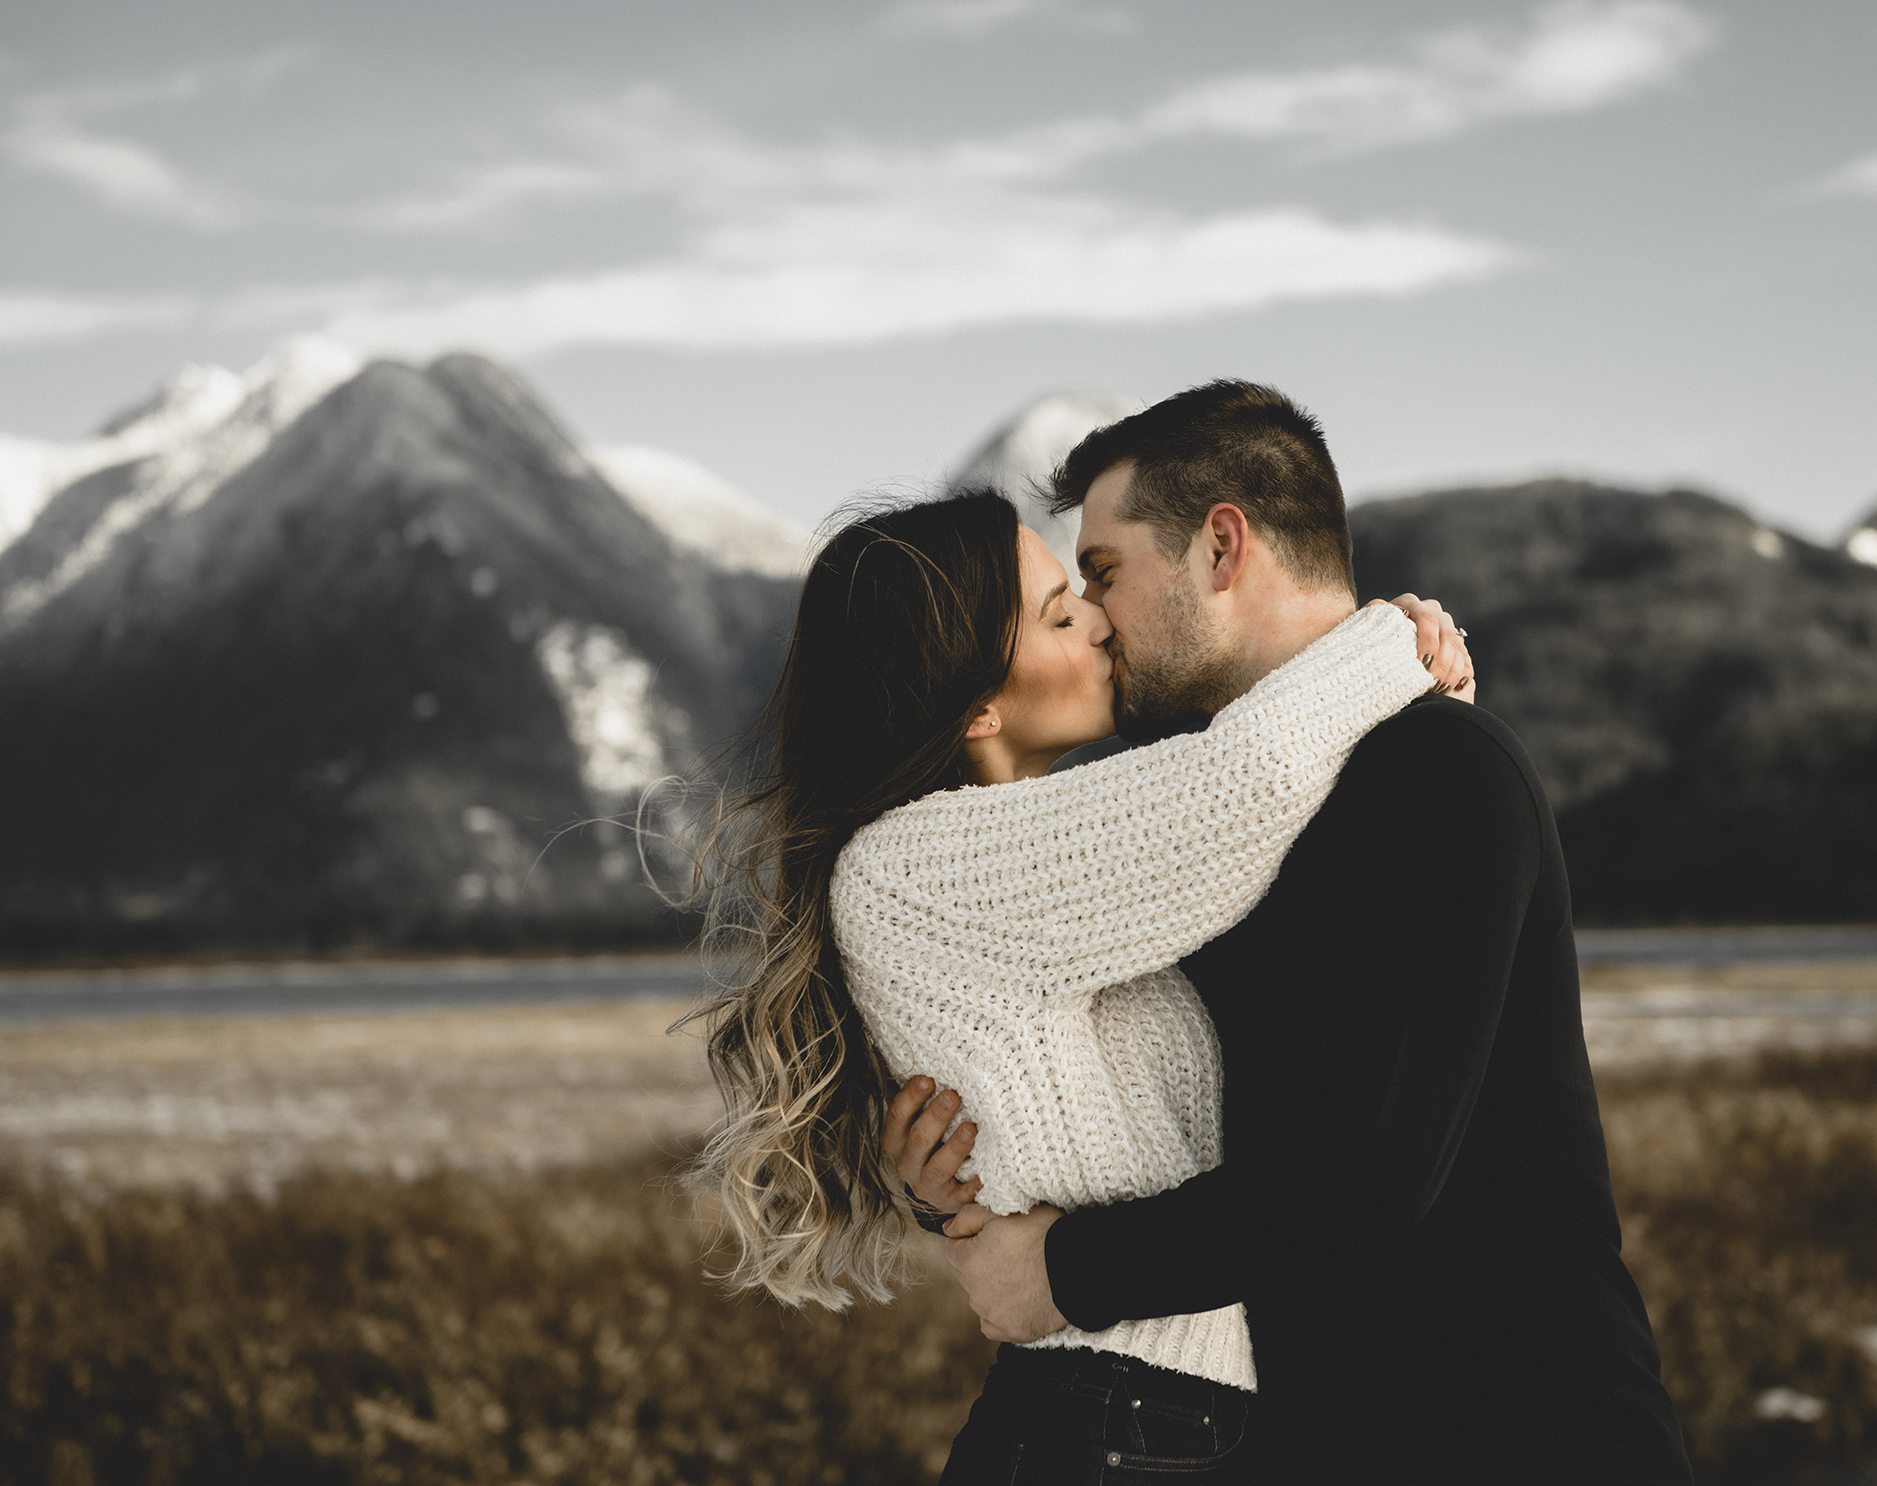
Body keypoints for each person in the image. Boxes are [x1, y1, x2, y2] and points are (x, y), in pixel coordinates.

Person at [933, 381, 1694, 1483]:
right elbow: (1117, 1089)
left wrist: (1061, 1271)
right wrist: (950, 1164)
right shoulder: (1203, 811)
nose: (1094, 620)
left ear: (1222, 548)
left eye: (1104, 574)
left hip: (1529, 1437)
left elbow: (1372, 1167)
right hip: (1317, 1439)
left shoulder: (1438, 772)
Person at [688, 486, 1469, 1482]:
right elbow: (1250, 779)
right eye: (1062, 613)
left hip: (1140, 1422)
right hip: (1117, 1426)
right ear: (975, 703)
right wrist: (1392, 640)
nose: (1101, 623)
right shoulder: (921, 867)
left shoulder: (1019, 855)